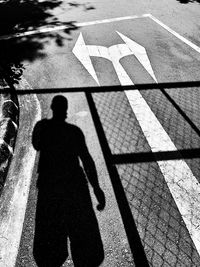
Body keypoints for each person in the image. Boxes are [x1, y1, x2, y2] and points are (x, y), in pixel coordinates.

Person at [32, 95, 105, 267]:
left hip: (49, 186)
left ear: (52, 107)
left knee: (50, 238)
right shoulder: (74, 132)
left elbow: (36, 145)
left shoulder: (43, 127)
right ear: (66, 110)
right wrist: (96, 188)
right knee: (81, 235)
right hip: (74, 186)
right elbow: (87, 160)